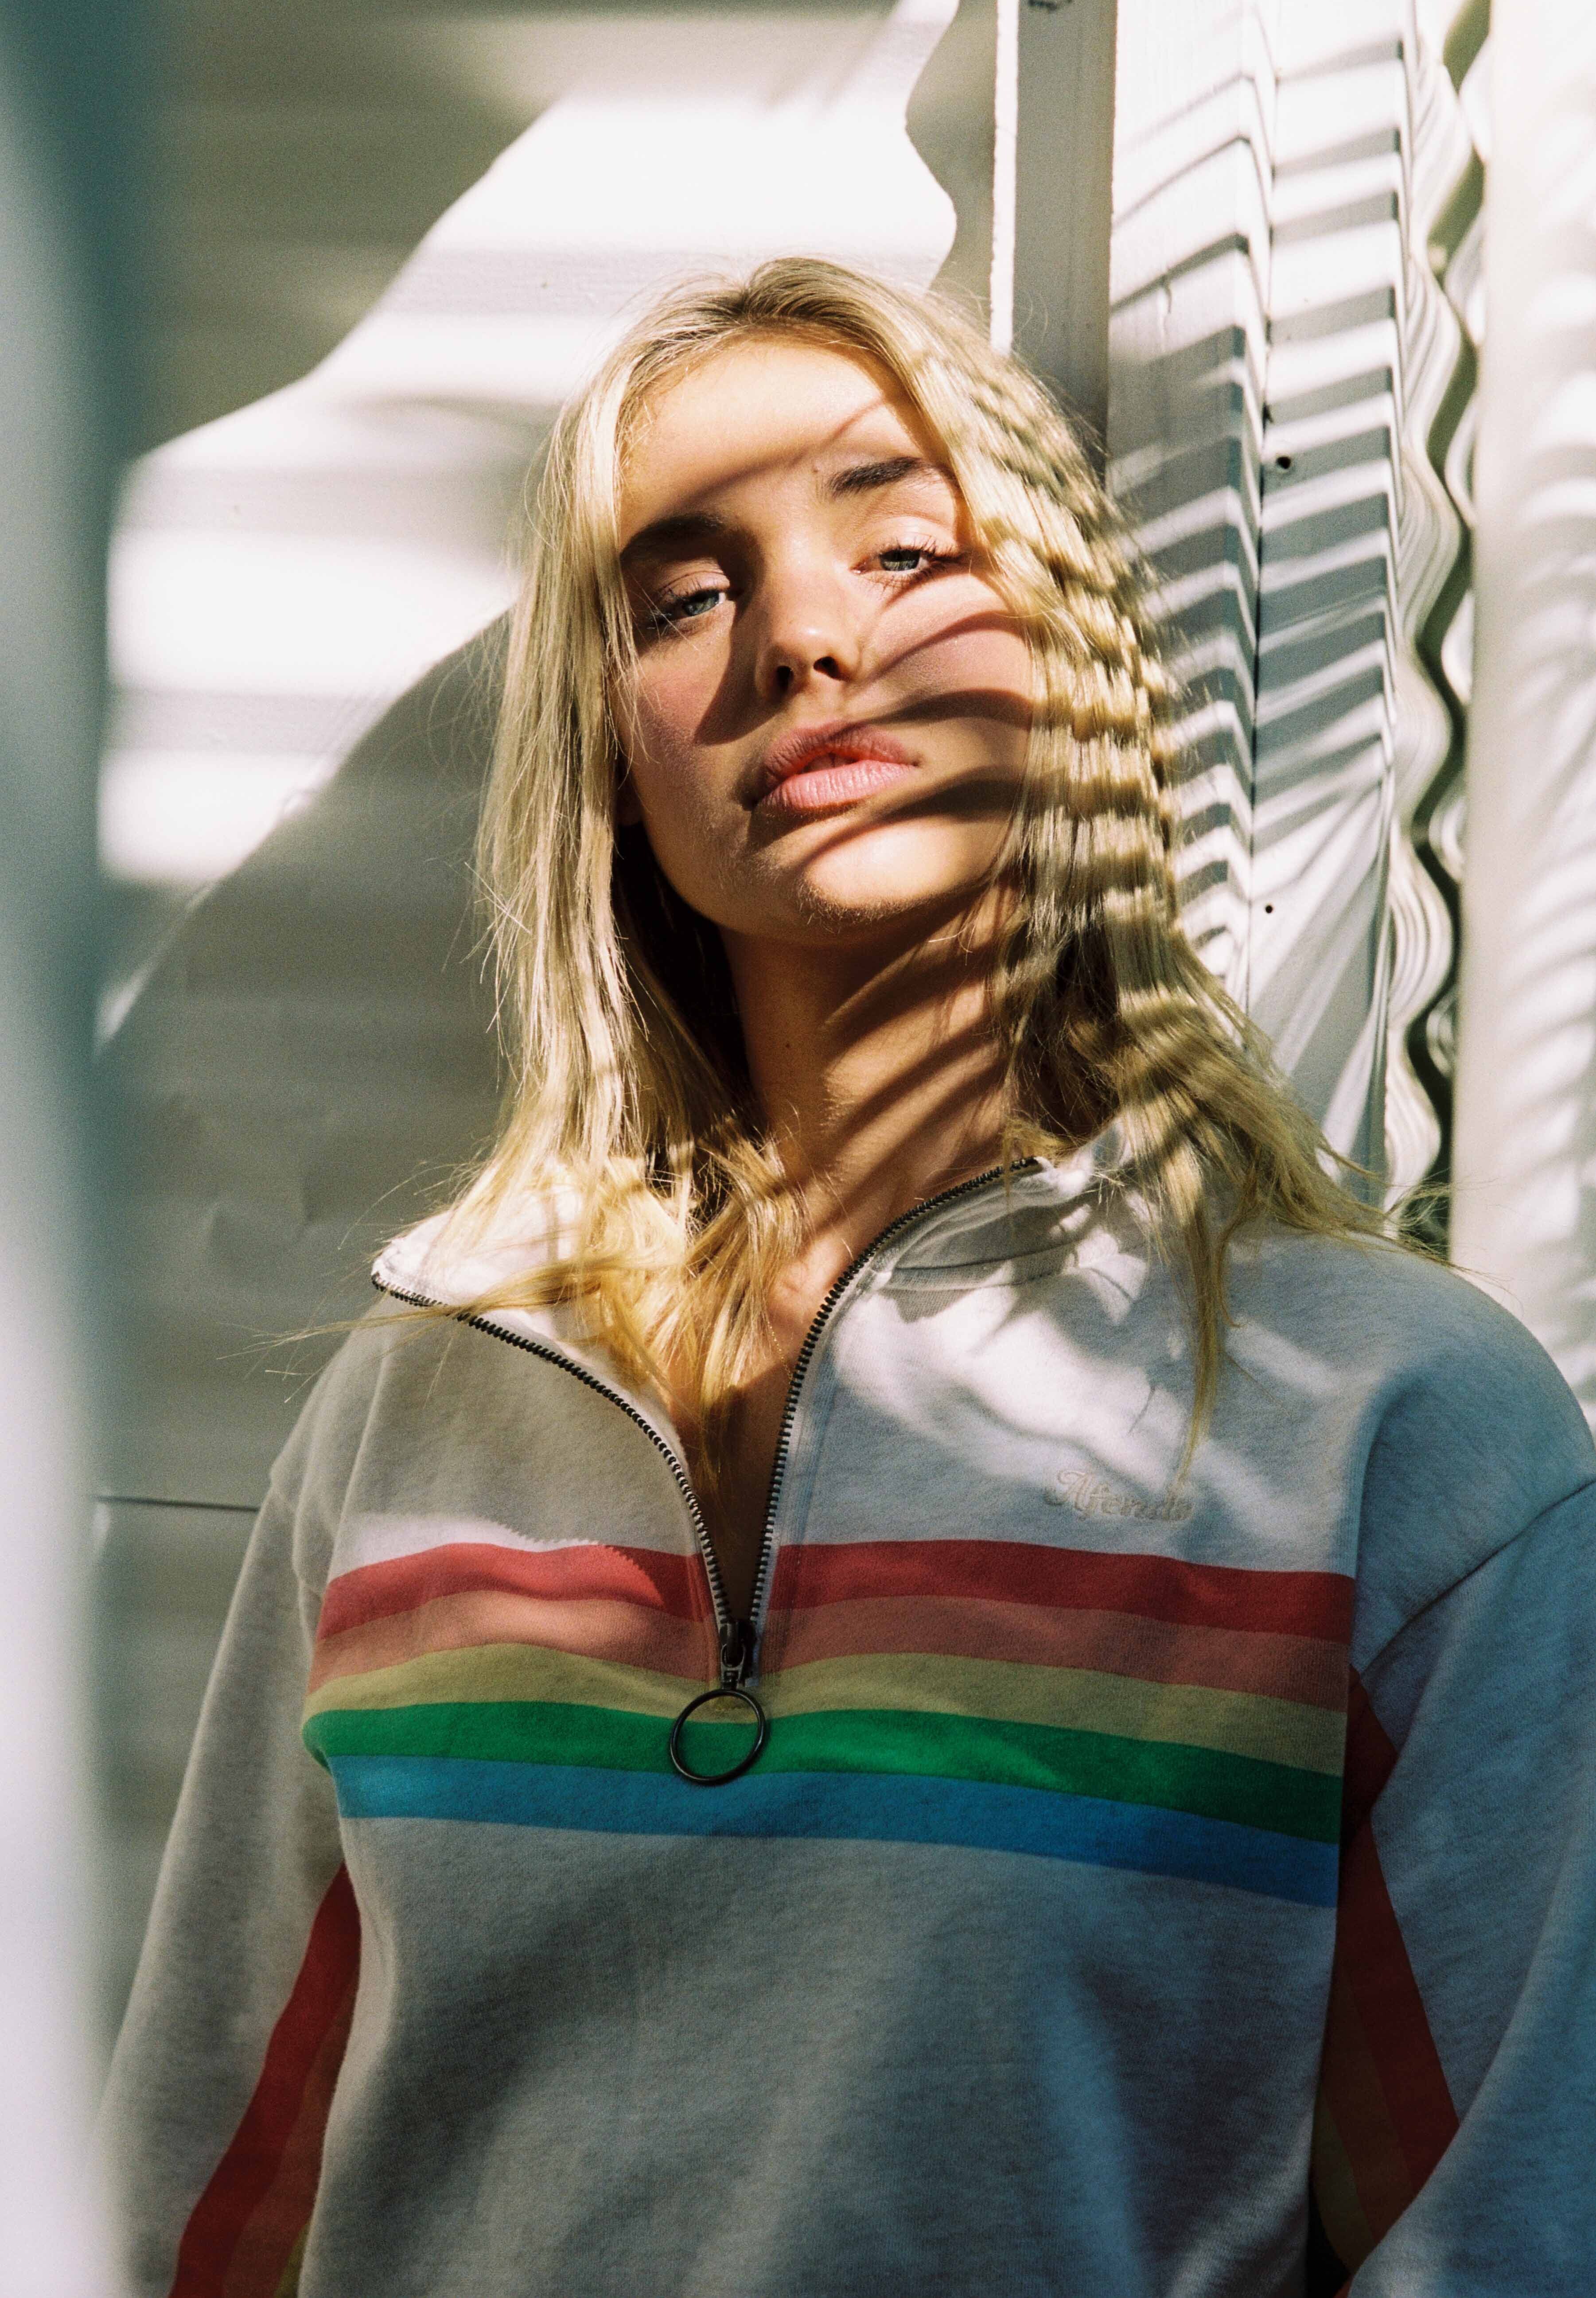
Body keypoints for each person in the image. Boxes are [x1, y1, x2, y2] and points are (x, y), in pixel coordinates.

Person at [103, 259, 1595, 2297]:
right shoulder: (420, 1398)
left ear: (1071, 659)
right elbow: (205, 2194)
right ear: (608, 755)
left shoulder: (1391, 1429)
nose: (805, 637)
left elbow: (1507, 2229)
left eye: (903, 550)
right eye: (681, 596)